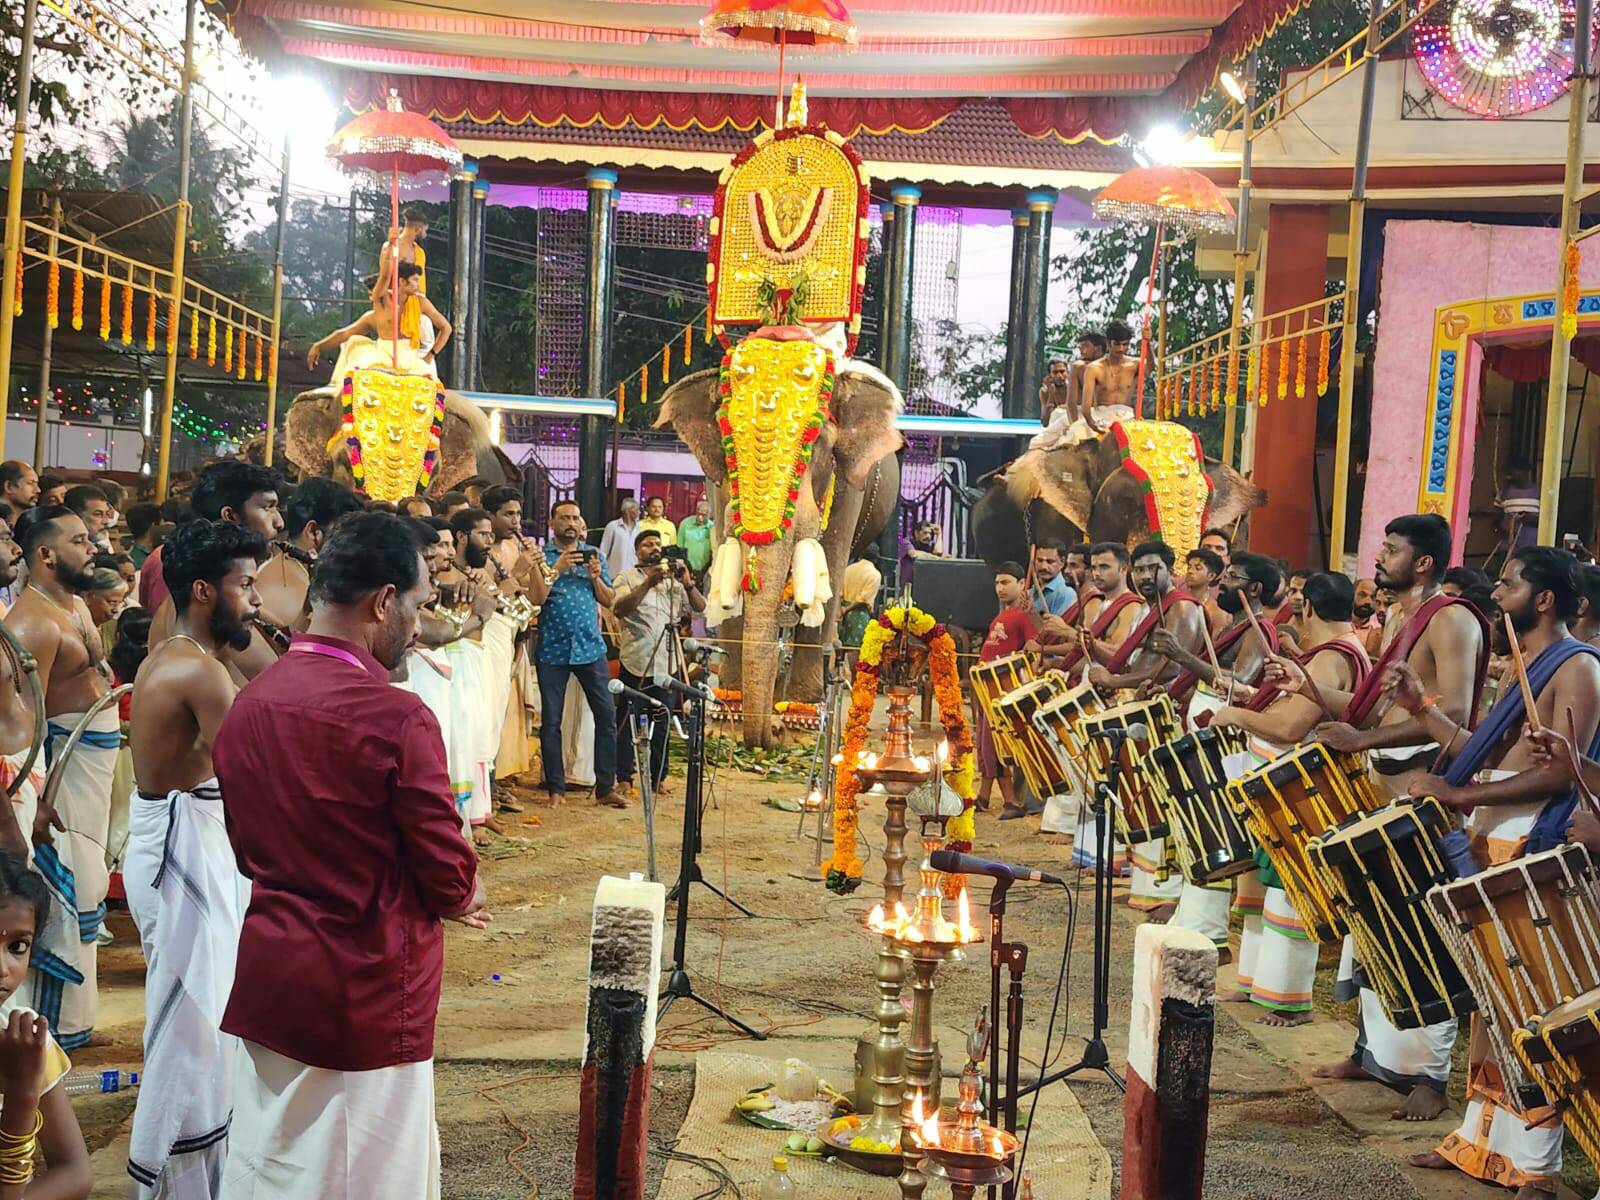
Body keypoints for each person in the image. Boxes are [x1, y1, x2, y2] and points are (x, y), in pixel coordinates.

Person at [214, 512, 486, 1200]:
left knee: (272, 1163)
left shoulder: (252, 699)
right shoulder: (395, 714)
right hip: (366, 985)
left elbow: (246, 848)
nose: (420, 626)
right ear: (384, 601)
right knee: (364, 1175)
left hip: (274, 970)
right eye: (421, 605)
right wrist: (462, 893)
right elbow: (447, 870)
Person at [1395, 547, 1600, 1195]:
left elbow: (1563, 773)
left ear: (1545, 599)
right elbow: (1477, 750)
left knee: (1532, 1002)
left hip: (1532, 847)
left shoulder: (1580, 668)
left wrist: (1462, 797)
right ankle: (1477, 1142)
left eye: (1509, 583)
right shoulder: (1523, 666)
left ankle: (1535, 1166)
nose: (1497, 590)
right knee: (1489, 1001)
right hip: (1491, 841)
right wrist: (1422, 708)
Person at [1287, 513, 1488, 1122]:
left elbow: (1449, 712)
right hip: (1384, 800)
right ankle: (1375, 1055)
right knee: (1376, 930)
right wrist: (1305, 684)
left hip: (1425, 804)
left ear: (1422, 562)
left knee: (1428, 938)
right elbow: (1370, 710)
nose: (1379, 556)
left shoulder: (1450, 618)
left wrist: (1361, 742)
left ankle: (1431, 1076)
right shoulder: (1399, 619)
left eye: (1391, 548)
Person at [124, 519, 267, 1198]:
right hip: (185, 855)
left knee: (206, 1019)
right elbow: (257, 777)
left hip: (184, 846)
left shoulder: (186, 652)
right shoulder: (199, 671)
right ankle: (165, 1179)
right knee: (192, 1029)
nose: (258, 599)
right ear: (207, 590)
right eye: (247, 585)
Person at [1212, 573, 1370, 1027]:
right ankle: (1255, 982)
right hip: (1282, 791)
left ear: (1310, 611)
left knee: (1291, 893)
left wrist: (1234, 713)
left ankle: (1287, 1000)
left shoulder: (1332, 659)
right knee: (1265, 891)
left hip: (1299, 795)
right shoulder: (1342, 651)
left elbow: (1289, 729)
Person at [3, 506, 113, 1049]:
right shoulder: (30, 624)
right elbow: (24, 726)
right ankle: (42, 1031)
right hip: (49, 772)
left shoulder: (72, 604)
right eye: (79, 539)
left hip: (85, 760)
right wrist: (38, 800)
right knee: (60, 887)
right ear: (45, 553)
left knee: (89, 882)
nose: (93, 545)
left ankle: (70, 1023)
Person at [0, 848, 93, 1199]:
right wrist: (22, 1096)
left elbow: (76, 1172)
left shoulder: (23, 1036)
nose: (3, 968)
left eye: (18, 946)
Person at [526, 500, 622, 808]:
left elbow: (609, 600)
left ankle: (605, 787)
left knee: (607, 715)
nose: (570, 522)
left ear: (581, 524)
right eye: (564, 517)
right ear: (552, 523)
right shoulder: (542, 556)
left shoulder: (595, 555)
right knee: (551, 721)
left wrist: (595, 576)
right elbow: (536, 599)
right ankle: (556, 788)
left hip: (590, 647)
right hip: (553, 648)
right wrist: (557, 568)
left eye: (575, 517)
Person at [612, 530, 706, 796]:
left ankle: (658, 778)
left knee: (662, 722)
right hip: (637, 660)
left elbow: (700, 608)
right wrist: (647, 584)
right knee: (628, 720)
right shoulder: (626, 577)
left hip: (667, 663)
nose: (654, 548)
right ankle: (624, 778)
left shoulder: (673, 582)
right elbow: (619, 609)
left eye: (657, 544)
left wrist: (687, 582)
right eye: (647, 544)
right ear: (637, 551)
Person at [141, 462, 282, 614]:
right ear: (230, 516)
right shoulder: (177, 562)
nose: (279, 523)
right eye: (267, 508)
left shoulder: (234, 566)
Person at [255, 478, 363, 647]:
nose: (356, 548)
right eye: (347, 536)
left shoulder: (287, 570)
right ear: (314, 532)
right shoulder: (288, 588)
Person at [306, 263, 452, 381]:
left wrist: (430, 355)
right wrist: (319, 346)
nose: (418, 285)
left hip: (414, 359)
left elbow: (446, 328)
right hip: (382, 359)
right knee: (354, 376)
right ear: (401, 282)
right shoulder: (374, 314)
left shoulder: (420, 304)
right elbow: (344, 334)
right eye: (414, 280)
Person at [974, 562, 1036, 818]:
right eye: (997, 583)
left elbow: (1033, 648)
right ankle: (983, 796)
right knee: (983, 743)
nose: (1000, 588)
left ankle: (1012, 802)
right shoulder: (1001, 616)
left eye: (1006, 582)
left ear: (1022, 584)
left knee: (994, 744)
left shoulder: (1022, 617)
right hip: (985, 687)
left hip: (1002, 690)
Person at [1067, 320, 1138, 443]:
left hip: (1126, 417)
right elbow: (1078, 405)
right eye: (1117, 344)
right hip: (1099, 416)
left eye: (1125, 344)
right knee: (1074, 434)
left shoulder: (1134, 364)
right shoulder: (1088, 368)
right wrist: (1089, 424)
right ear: (1108, 343)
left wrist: (1148, 343)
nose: (1121, 349)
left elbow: (1151, 367)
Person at [377, 208, 433, 351]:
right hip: (396, 305)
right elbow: (384, 278)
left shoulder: (419, 252)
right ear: (418, 228)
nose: (425, 235)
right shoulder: (391, 247)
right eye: (425, 230)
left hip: (417, 306)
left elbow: (420, 285)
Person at [1029, 540, 1075, 620]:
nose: (1044, 566)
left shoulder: (1066, 594)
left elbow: (1056, 630)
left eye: (1050, 562)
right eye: (1040, 560)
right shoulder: (1030, 592)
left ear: (1062, 562)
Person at [1184, 547, 1226, 633]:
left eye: (1198, 568)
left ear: (1211, 576)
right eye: (1189, 567)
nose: (1190, 571)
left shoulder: (1216, 612)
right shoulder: (1180, 604)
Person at [599, 497, 641, 579]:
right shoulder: (613, 526)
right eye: (636, 510)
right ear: (627, 510)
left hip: (633, 576)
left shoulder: (639, 529)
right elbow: (603, 551)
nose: (639, 512)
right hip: (614, 575)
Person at [677, 497, 715, 581]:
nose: (700, 517)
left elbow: (714, 551)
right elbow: (680, 547)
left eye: (704, 515)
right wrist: (686, 568)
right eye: (699, 514)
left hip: (706, 571)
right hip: (686, 570)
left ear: (709, 515)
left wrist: (705, 570)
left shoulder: (712, 527)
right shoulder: (685, 523)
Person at [899, 521, 943, 588]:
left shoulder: (929, 547)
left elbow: (938, 553)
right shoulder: (907, 542)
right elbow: (913, 554)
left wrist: (939, 534)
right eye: (925, 533)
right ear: (916, 533)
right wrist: (934, 557)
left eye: (930, 534)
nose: (928, 536)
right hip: (907, 587)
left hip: (923, 586)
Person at [1352, 576, 1385, 656]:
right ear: (1352, 595)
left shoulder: (1379, 633)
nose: (1368, 601)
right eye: (1362, 595)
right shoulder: (1337, 626)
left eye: (1373, 597)